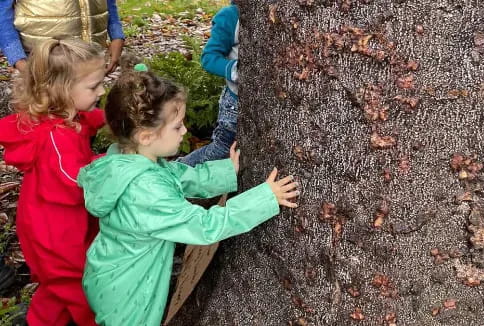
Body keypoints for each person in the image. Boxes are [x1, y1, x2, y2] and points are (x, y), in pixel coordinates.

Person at [78, 67, 299, 326]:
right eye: (177, 126)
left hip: (113, 270)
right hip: (130, 289)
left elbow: (181, 177)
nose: (185, 131)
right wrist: (263, 199)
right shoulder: (145, 191)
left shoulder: (130, 160)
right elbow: (204, 227)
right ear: (146, 136)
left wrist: (227, 171)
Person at [0, 39, 107, 326]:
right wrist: (110, 165)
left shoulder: (66, 117)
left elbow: (90, 119)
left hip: (53, 225)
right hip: (54, 235)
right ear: (62, 90)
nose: (102, 91)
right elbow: (76, 180)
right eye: (93, 86)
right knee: (82, 289)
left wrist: (114, 117)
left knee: (56, 291)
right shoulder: (57, 138)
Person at [178, 0, 239, 166]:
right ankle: (180, 169)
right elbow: (209, 58)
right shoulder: (231, 16)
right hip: (235, 102)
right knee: (222, 149)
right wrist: (235, 69)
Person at [0, 0, 125, 73]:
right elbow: (2, 10)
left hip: (90, 59)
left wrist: (117, 35)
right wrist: (18, 60)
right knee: (45, 113)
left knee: (88, 113)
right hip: (44, 65)